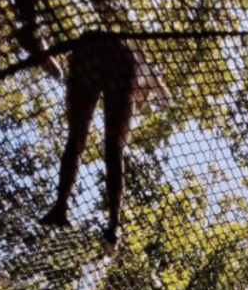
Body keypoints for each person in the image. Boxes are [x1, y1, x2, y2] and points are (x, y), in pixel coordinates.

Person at [40, 31, 170, 249]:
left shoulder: (138, 65)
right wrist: (149, 85)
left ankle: (61, 206)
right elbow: (165, 97)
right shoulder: (142, 68)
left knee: (77, 140)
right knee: (113, 149)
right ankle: (113, 224)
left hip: (88, 50)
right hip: (114, 57)